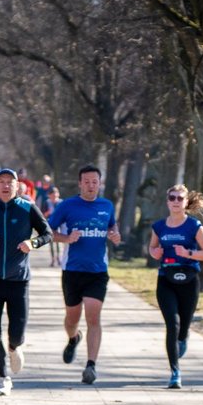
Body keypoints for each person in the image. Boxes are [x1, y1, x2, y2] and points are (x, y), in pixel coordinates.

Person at [0, 168, 52, 395]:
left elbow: (47, 233)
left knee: (16, 333)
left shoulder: (27, 207)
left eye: (10, 182)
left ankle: (15, 347)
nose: (6, 185)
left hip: (19, 281)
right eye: (1, 182)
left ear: (18, 186)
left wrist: (32, 244)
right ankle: (3, 376)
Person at [47, 164, 121, 385]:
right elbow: (48, 232)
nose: (91, 186)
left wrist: (114, 235)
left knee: (93, 316)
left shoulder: (106, 206)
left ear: (100, 183)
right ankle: (73, 338)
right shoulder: (68, 206)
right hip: (72, 270)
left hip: (98, 271)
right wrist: (66, 238)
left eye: (95, 182)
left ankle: (91, 366)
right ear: (80, 183)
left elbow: (112, 229)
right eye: (87, 182)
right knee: (72, 318)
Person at [147, 184, 203, 389]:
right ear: (167, 201)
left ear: (186, 203)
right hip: (166, 279)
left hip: (189, 280)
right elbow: (152, 247)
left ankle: (183, 338)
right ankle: (175, 372)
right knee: (172, 324)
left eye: (180, 198)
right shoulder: (159, 226)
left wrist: (188, 254)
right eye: (172, 198)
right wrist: (154, 253)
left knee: (183, 326)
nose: (176, 201)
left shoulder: (194, 226)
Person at [43, 185, 62, 267]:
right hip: (50, 225)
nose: (54, 196)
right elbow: (42, 214)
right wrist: (47, 213)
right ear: (49, 195)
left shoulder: (61, 203)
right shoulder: (47, 203)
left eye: (56, 194)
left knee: (58, 243)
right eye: (52, 194)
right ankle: (53, 259)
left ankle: (58, 258)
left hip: (60, 225)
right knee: (51, 242)